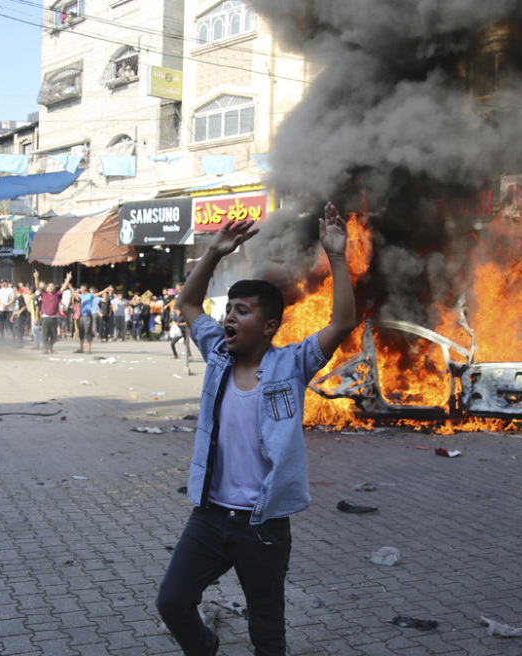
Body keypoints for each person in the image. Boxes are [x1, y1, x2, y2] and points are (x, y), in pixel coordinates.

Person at [156, 203, 355, 656]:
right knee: (172, 601)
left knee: (266, 630)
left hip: (263, 525)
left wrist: (336, 255)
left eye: (241, 311)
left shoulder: (292, 364)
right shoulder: (217, 355)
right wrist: (213, 252)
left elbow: (343, 322)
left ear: (268, 327)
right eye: (228, 310)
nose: (228, 318)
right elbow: (188, 303)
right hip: (210, 517)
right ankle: (205, 647)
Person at [33, 270, 72, 355]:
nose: (51, 287)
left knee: (54, 335)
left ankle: (50, 348)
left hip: (54, 317)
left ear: (54, 288)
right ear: (46, 288)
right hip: (46, 317)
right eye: (49, 286)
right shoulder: (44, 293)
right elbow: (37, 286)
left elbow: (63, 288)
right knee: (45, 334)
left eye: (52, 286)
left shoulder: (57, 295)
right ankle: (46, 348)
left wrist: (68, 279)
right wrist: (36, 277)